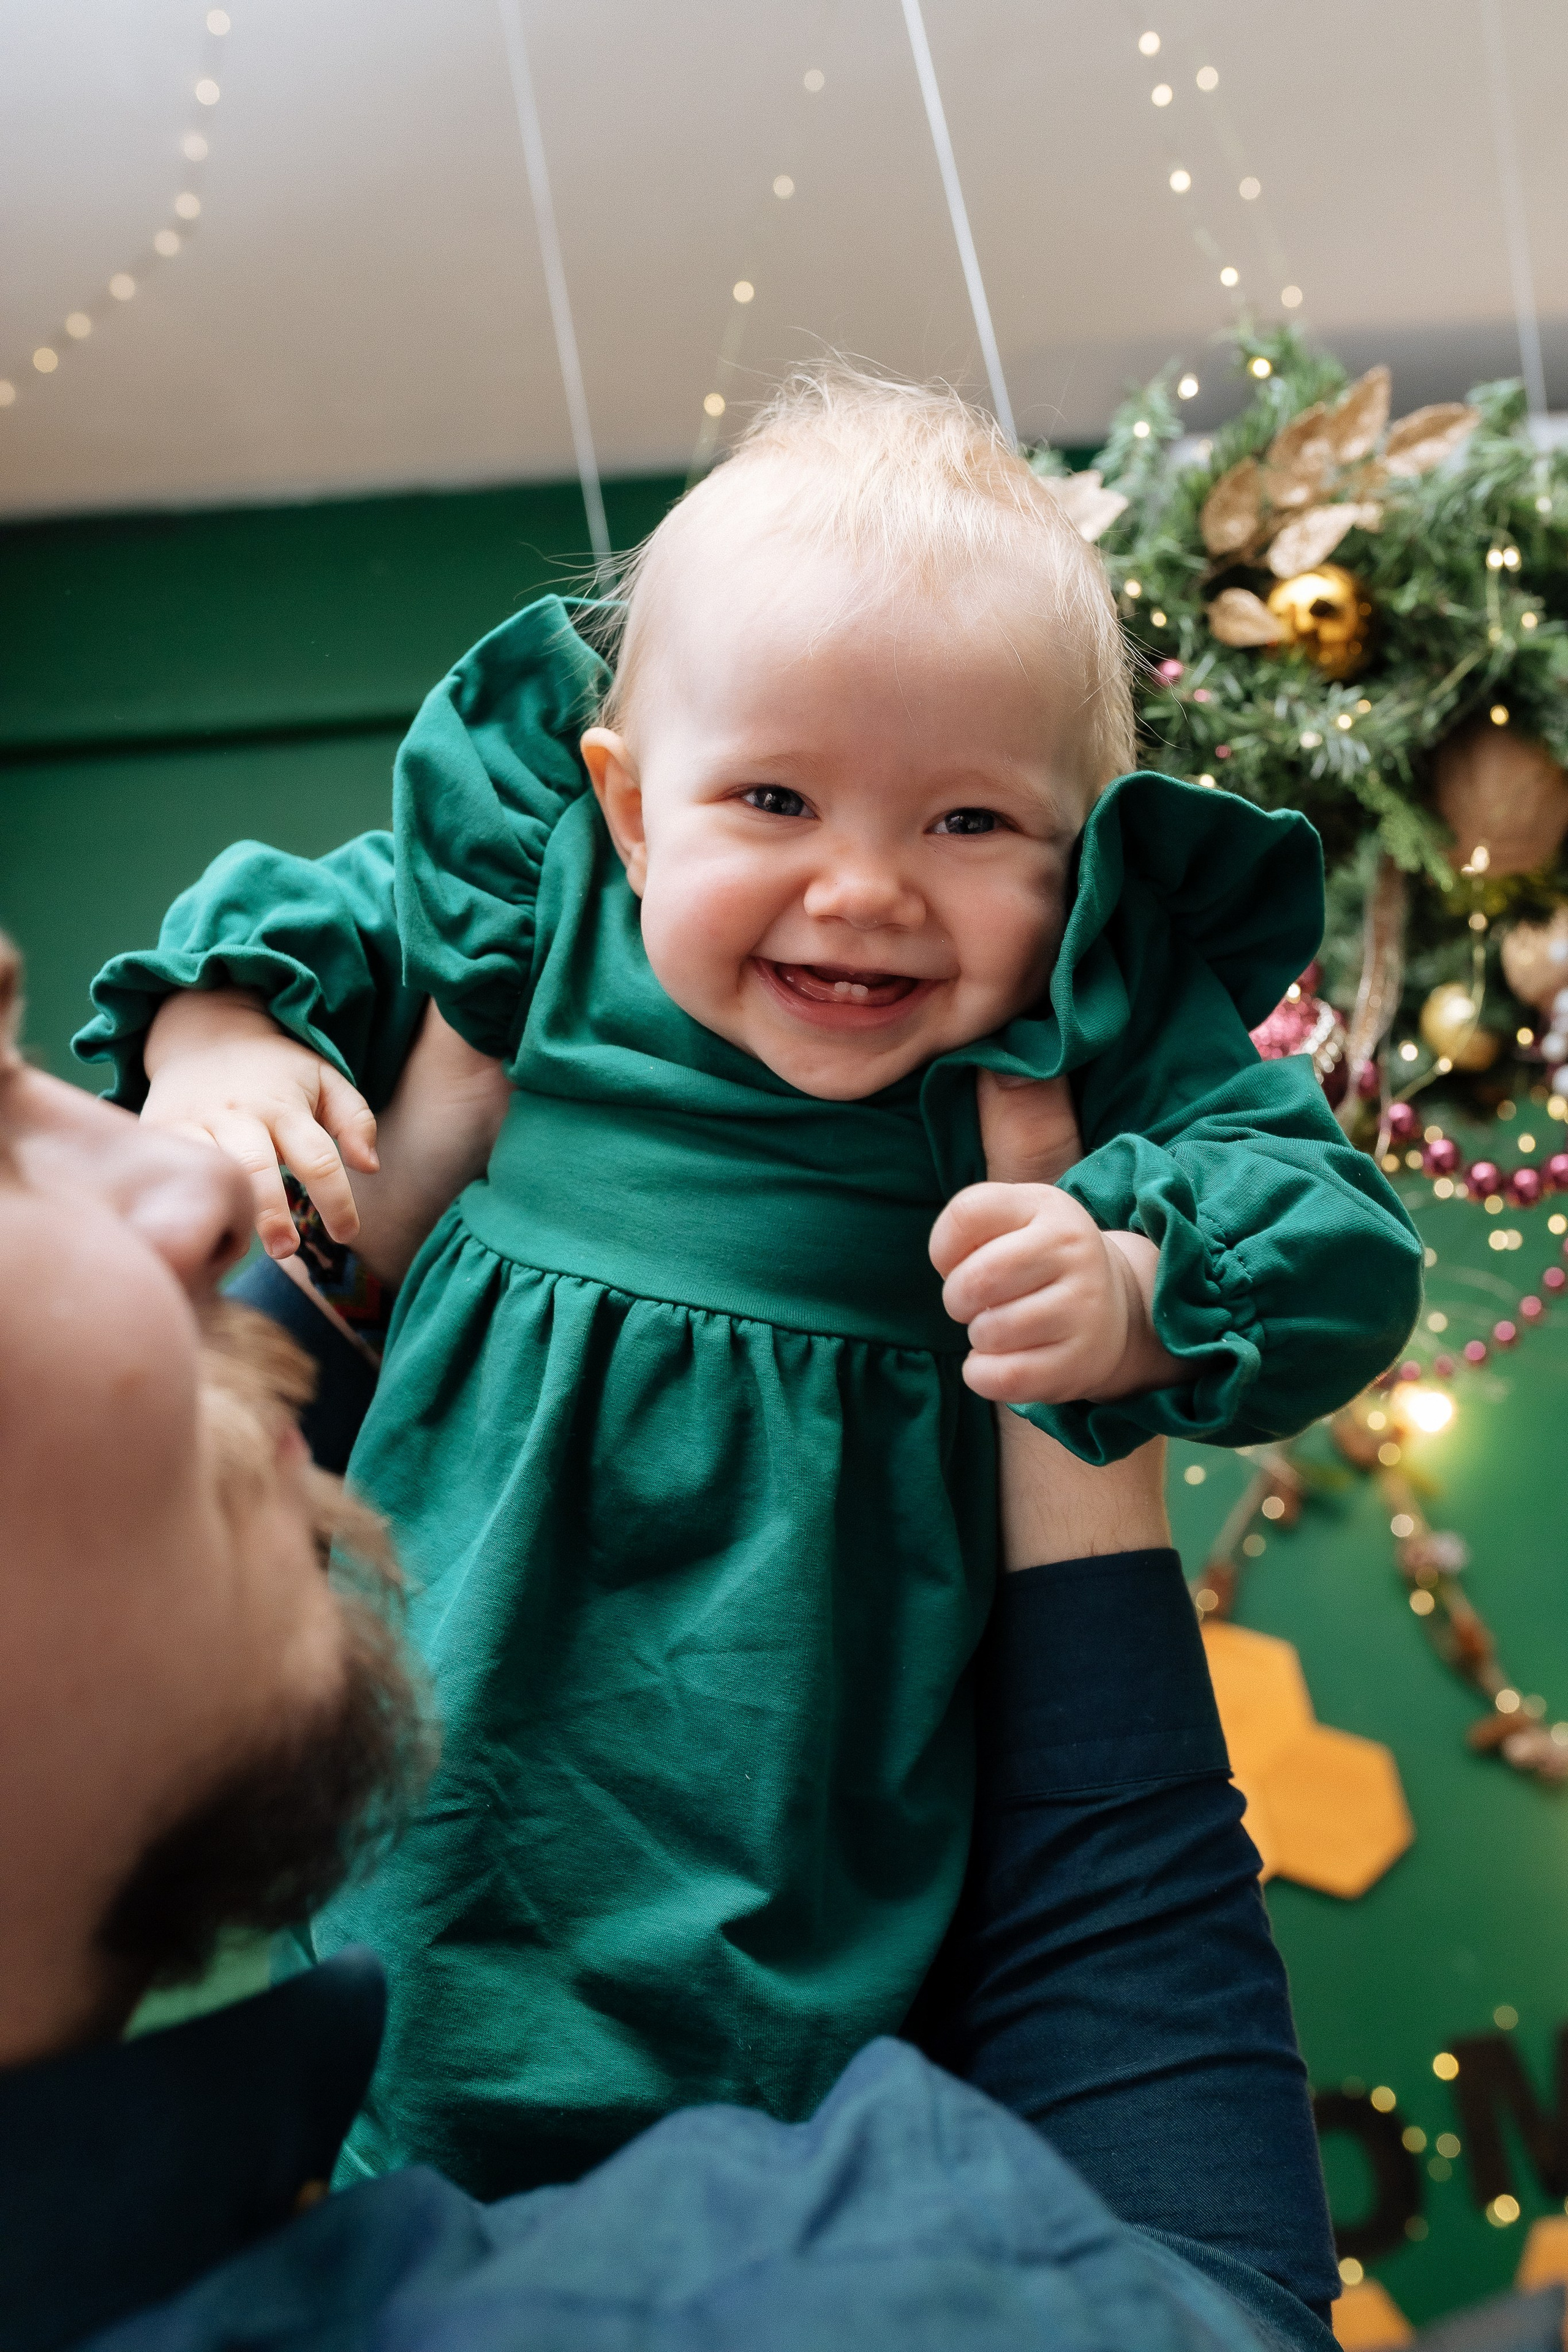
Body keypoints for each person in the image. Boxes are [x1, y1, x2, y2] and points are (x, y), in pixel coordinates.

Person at [76, 369, 1422, 2196]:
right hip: (471, 1687)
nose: (862, 890)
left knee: (811, 2131)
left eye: (968, 826)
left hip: (823, 1739)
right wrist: (224, 1031)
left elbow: (1333, 1234)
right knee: (428, 2073)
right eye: (774, 798)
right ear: (631, 812)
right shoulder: (534, 897)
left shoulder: (1083, 1020)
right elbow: (324, 925)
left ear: (1083, 850)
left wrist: (1129, 1277)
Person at [0, 929, 1338, 2352]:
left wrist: (377, 1223)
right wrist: (1064, 1405)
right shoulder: (758, 2304)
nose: (197, 1181)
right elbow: (1208, 2307)